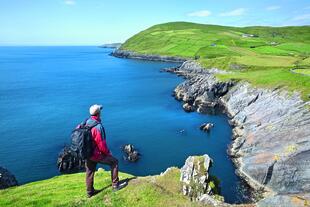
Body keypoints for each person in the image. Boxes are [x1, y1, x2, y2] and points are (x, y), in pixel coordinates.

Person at [84, 104, 124, 198]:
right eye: (100, 111)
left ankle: (90, 192)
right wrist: (108, 153)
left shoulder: (86, 122)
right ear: (98, 114)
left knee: (89, 172)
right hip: (96, 154)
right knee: (114, 162)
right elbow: (101, 145)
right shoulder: (98, 127)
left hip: (87, 153)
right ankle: (115, 186)